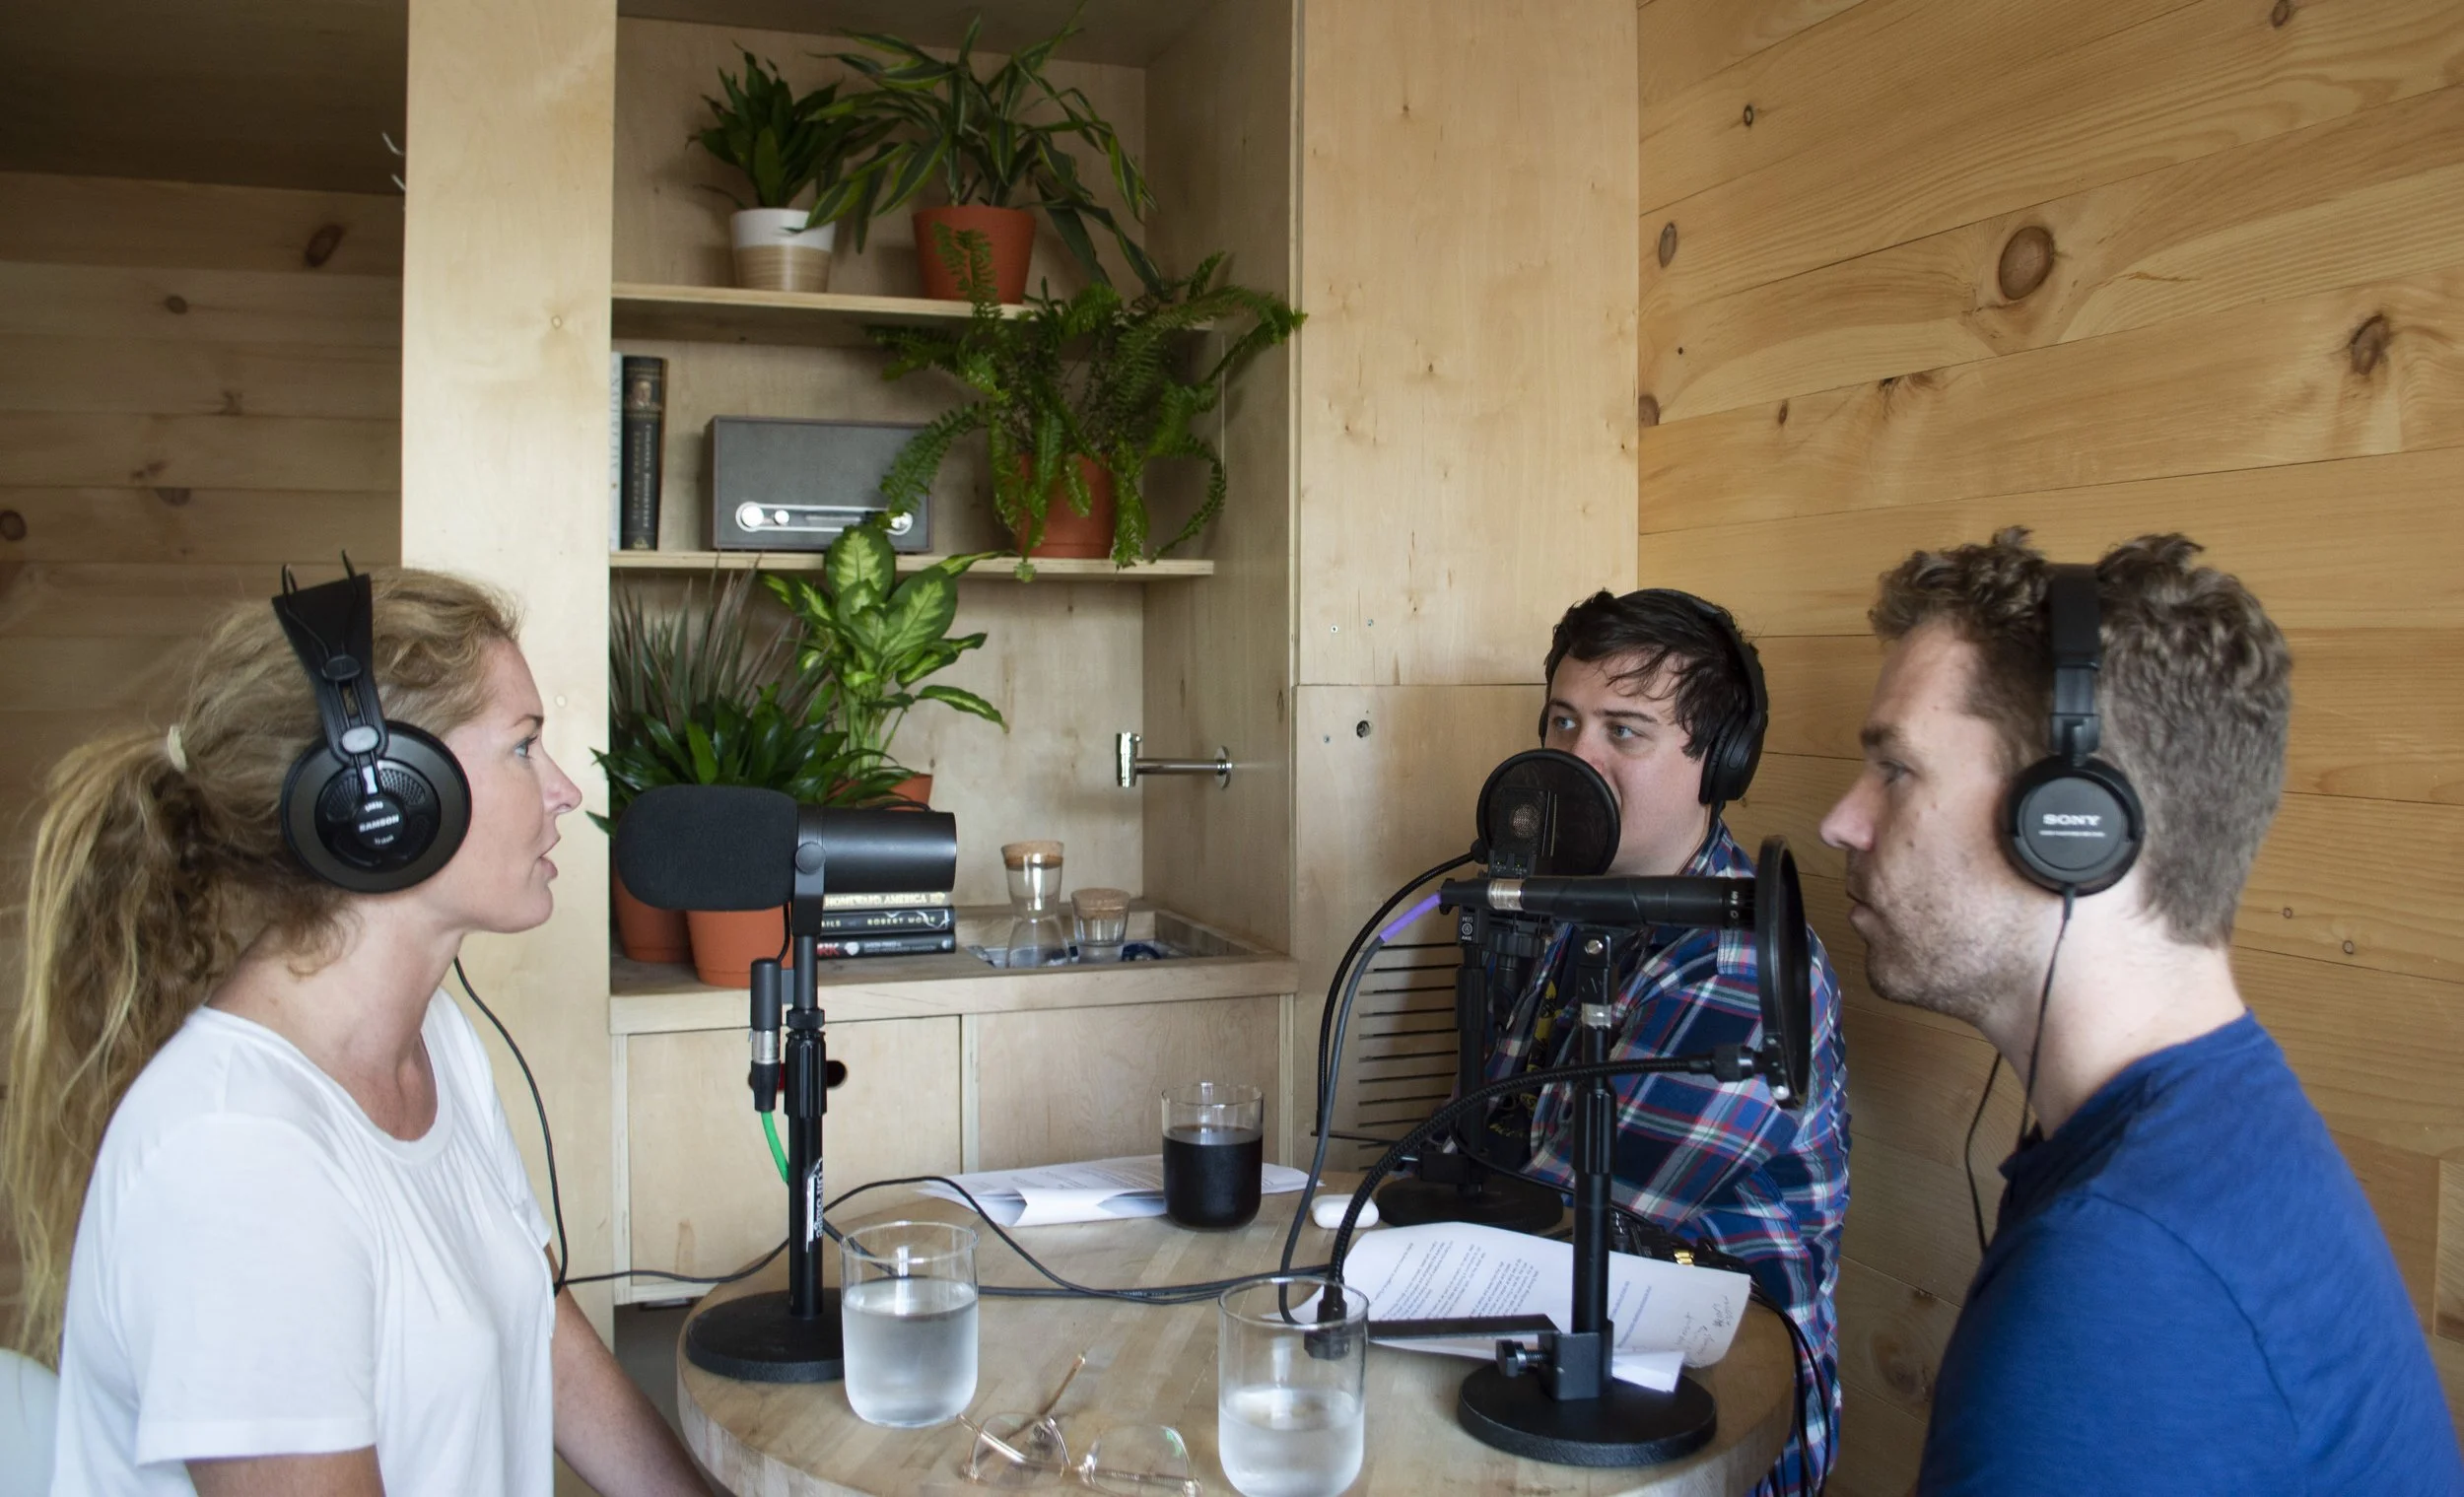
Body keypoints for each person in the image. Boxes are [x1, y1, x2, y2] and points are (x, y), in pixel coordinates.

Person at [6, 569, 709, 1496]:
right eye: (524, 748)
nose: (566, 791)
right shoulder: (239, 1154)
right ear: (386, 799)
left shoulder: (438, 1041)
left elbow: (541, 1330)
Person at [1818, 529, 2464, 1493]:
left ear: (2070, 823)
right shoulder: (2210, 1127)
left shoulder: (2118, 1284)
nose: (1841, 818)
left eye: (1896, 769)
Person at [1485, 588, 1850, 1497]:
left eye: (1626, 730)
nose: (1577, 758)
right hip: (1565, 1370)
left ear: (1717, 762)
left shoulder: (1739, 970)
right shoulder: (1576, 907)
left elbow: (1561, 1239)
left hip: (1714, 1431)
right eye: (1564, 721)